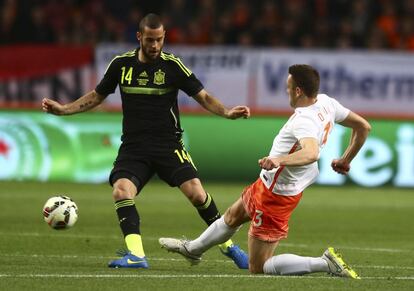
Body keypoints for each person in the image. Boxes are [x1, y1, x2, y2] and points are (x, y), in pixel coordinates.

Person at [42, 13, 250, 269]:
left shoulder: (173, 66)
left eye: (159, 40)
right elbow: (97, 95)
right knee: (121, 190)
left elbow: (203, 96)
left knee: (197, 193)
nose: (155, 46)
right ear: (139, 37)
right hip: (134, 147)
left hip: (168, 144)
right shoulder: (121, 65)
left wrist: (227, 112)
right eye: (150, 40)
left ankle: (229, 247)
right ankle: (136, 255)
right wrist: (64, 110)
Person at [159, 64, 371, 278]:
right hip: (268, 184)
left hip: (276, 194)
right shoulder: (327, 103)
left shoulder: (304, 120)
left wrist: (278, 160)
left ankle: (325, 264)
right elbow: (363, 127)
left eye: (288, 87)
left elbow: (311, 153)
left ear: (298, 91)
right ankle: (193, 250)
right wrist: (345, 160)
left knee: (259, 267)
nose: (286, 90)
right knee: (233, 216)